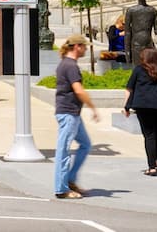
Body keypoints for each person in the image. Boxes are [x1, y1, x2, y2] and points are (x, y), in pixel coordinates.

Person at [53, 34, 99, 199]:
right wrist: (93, 108)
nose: (86, 49)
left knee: (85, 144)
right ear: (77, 47)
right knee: (63, 150)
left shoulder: (66, 64)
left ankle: (70, 179)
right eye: (84, 46)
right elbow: (78, 90)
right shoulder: (70, 66)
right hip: (68, 113)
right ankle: (61, 188)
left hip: (72, 113)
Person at [123, 47, 157, 176]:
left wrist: (125, 106)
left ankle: (151, 167)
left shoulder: (139, 70)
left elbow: (129, 89)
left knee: (149, 135)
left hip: (144, 105)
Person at [125, 0, 157, 67]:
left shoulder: (152, 11)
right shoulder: (131, 11)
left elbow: (156, 31)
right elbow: (127, 32)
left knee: (150, 69)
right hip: (136, 45)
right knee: (138, 70)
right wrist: (127, 51)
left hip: (148, 45)